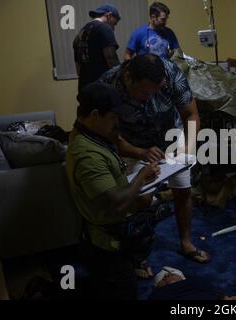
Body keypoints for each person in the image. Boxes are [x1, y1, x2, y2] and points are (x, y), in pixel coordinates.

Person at [98, 54, 211, 264]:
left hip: (171, 135)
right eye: (144, 92)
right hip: (132, 143)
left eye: (156, 92)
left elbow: (191, 114)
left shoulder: (171, 73)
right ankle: (140, 254)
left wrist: (188, 146)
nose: (150, 97)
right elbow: (108, 132)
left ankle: (186, 243)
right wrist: (139, 152)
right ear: (129, 78)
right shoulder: (108, 84)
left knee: (184, 190)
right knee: (141, 198)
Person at [66, 83, 161, 299]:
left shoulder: (91, 133)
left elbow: (117, 146)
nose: (118, 121)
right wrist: (141, 177)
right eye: (114, 116)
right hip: (106, 243)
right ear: (95, 115)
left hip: (109, 233)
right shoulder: (87, 155)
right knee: (124, 289)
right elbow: (116, 202)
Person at [73, 4, 121, 92]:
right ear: (109, 15)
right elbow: (111, 59)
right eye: (114, 23)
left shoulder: (81, 32)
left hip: (84, 87)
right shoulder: (104, 28)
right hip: (102, 87)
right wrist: (120, 80)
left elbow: (78, 67)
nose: (113, 28)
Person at [149, 267, 236, 300]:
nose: (167, 276)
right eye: (162, 278)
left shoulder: (196, 282)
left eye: (171, 274)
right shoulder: (158, 294)